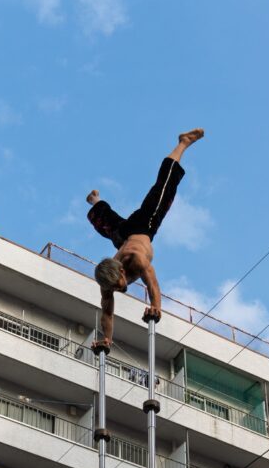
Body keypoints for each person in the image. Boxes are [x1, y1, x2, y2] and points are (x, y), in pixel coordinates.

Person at [86, 128, 205, 349]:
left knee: (163, 189)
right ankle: (95, 201)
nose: (120, 289)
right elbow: (107, 314)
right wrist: (107, 339)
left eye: (118, 285)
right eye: (115, 288)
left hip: (143, 226)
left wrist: (156, 307)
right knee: (108, 223)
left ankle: (183, 143)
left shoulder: (137, 260)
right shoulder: (107, 285)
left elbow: (153, 285)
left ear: (122, 270)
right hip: (122, 236)